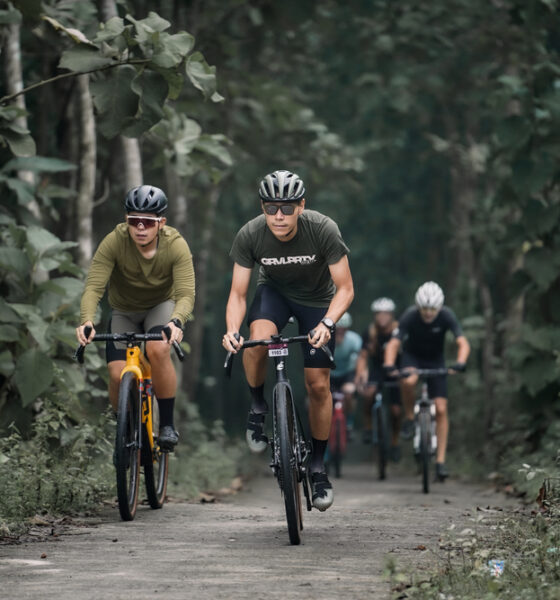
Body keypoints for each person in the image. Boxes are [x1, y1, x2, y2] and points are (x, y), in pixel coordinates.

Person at [222, 170, 354, 511]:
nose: (279, 215)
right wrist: (231, 329)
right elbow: (238, 294)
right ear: (263, 207)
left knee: (318, 385)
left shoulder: (323, 229)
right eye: (270, 207)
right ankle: (258, 405)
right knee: (257, 341)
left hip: (318, 302)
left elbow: (346, 289)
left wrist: (328, 322)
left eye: (287, 207)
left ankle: (318, 467)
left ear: (301, 206)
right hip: (274, 295)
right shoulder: (250, 234)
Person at [76, 185, 195, 450]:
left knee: (158, 349)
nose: (140, 228)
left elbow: (186, 294)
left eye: (148, 223)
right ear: (126, 221)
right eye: (134, 221)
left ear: (161, 223)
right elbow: (94, 287)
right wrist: (87, 320)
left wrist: (176, 321)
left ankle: (166, 425)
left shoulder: (175, 245)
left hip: (160, 306)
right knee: (117, 375)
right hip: (123, 311)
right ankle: (124, 428)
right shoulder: (115, 241)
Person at [383, 282, 470, 480]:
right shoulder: (410, 315)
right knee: (409, 381)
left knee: (440, 408)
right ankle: (410, 418)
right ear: (418, 306)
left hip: (435, 360)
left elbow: (462, 341)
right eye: (425, 309)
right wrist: (389, 364)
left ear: (439, 307)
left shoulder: (447, 315)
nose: (429, 313)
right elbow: (394, 343)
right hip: (412, 358)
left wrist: (460, 362)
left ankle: (440, 462)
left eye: (433, 309)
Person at [355, 297, 402, 461]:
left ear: (391, 315)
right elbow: (362, 356)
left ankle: (395, 443)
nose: (382, 317)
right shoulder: (370, 332)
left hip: (396, 370)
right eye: (379, 314)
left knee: (396, 411)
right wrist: (360, 374)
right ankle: (368, 427)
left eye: (386, 314)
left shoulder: (399, 331)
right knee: (369, 394)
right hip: (377, 370)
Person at [330, 312, 362, 438]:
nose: (340, 333)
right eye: (338, 330)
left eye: (343, 330)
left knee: (349, 392)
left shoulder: (354, 340)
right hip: (329, 374)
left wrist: (359, 377)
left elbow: (361, 360)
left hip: (347, 373)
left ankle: (349, 422)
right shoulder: (326, 339)